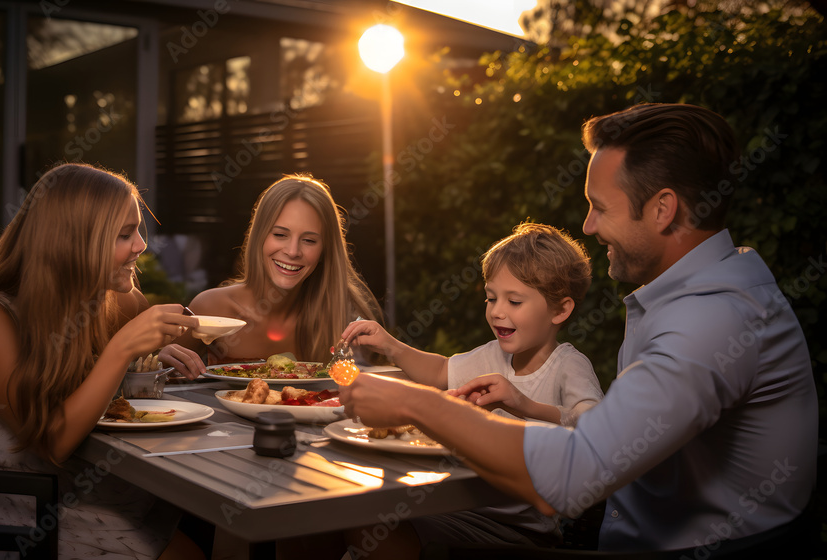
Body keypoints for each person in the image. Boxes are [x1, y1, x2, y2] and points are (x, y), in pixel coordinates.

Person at [339, 103, 818, 553]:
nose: (587, 225)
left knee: (372, 526)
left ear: (662, 209)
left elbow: (572, 476)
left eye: (601, 207)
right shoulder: (693, 296)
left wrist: (413, 403)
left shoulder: (710, 321)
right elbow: (616, 436)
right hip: (617, 535)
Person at [0, 163, 205, 559]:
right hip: (10, 517)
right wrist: (122, 349)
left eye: (139, 230)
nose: (142, 245)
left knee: (201, 513)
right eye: (125, 234)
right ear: (72, 241)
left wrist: (146, 358)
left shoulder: (118, 301)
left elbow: (103, 384)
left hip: (93, 491)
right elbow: (52, 441)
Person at [332, 222, 603, 557]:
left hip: (519, 533)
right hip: (456, 508)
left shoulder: (569, 366)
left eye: (514, 301)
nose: (497, 311)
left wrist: (525, 405)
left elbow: (594, 432)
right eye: (491, 297)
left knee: (373, 528)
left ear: (560, 310)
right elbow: (441, 371)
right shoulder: (492, 354)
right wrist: (390, 345)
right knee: (353, 516)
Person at [159, 174, 382, 376]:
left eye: (309, 240)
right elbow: (158, 379)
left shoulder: (339, 317)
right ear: (260, 236)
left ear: (325, 250)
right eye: (280, 234)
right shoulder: (213, 307)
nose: (293, 251)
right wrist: (162, 358)